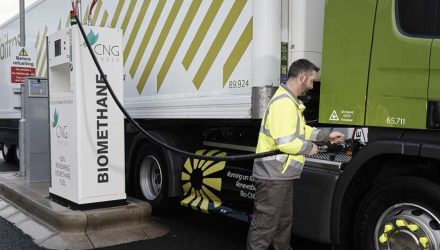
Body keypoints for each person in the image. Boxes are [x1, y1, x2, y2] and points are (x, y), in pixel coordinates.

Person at [247, 59, 345, 250]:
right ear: (302, 77)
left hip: (281, 176)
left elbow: (302, 131)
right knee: (265, 228)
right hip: (272, 177)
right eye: (311, 80)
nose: (311, 86)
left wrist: (326, 136)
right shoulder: (283, 103)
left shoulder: (290, 103)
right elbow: (286, 142)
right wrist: (310, 148)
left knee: (283, 224)